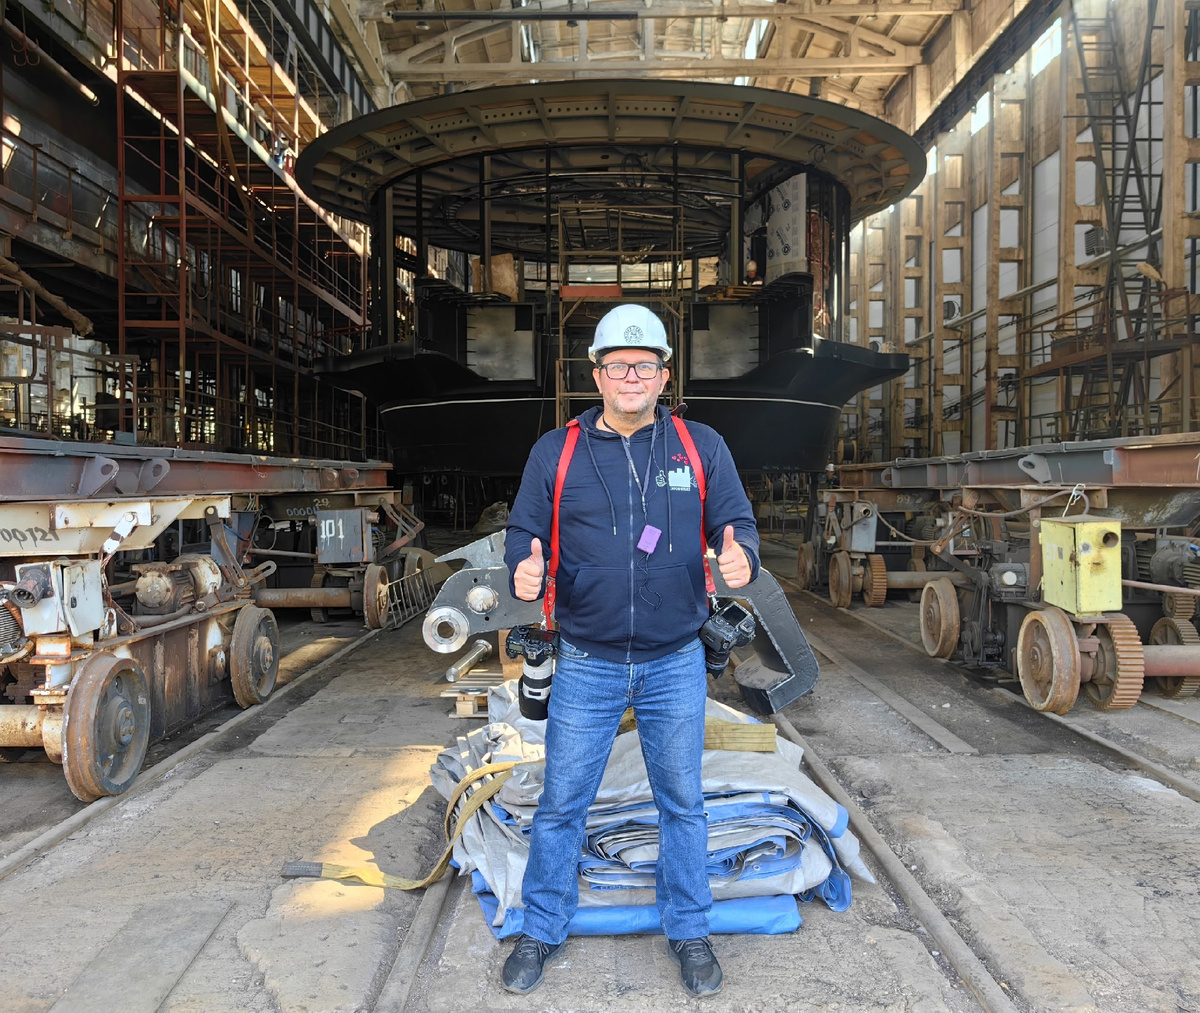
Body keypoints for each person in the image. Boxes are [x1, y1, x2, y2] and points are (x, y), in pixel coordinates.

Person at [502, 303, 761, 997]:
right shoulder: (555, 452)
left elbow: (736, 522)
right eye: (618, 365)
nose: (631, 377)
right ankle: (541, 928)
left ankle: (690, 931)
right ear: (596, 374)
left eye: (644, 365)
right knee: (562, 802)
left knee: (683, 803)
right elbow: (524, 530)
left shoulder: (700, 447)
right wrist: (523, 565)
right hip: (586, 660)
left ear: (664, 375)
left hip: (675, 659)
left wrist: (744, 553)